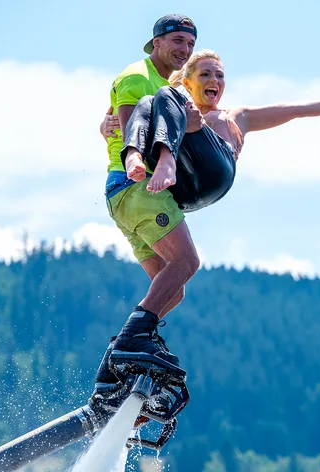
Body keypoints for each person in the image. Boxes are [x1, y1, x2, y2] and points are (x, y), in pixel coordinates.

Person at [94, 49, 320, 381]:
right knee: (172, 286)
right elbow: (138, 114)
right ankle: (118, 362)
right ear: (190, 80)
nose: (214, 81)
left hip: (215, 170)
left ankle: (133, 340)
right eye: (205, 75)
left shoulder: (234, 116)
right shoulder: (175, 105)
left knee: (168, 101)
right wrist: (106, 124)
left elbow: (294, 110)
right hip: (186, 188)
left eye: (219, 75)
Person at [92, 13, 203, 390]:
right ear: (156, 42)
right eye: (178, 42)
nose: (185, 51)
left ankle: (116, 364)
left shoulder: (171, 85)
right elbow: (129, 132)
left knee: (172, 286)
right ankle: (131, 342)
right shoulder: (138, 76)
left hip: (130, 197)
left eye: (190, 45)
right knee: (186, 262)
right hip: (135, 185)